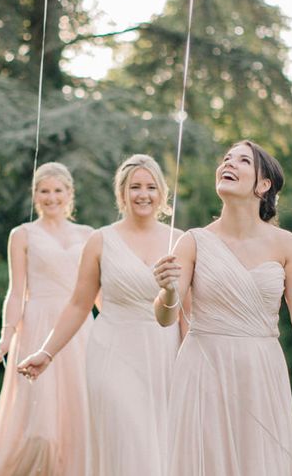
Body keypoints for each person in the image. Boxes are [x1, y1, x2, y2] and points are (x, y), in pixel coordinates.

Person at [152, 140, 292, 476]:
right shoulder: (192, 241)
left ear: (263, 184)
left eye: (243, 160)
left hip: (261, 370)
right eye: (226, 158)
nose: (228, 163)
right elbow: (165, 317)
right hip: (203, 368)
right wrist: (168, 289)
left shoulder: (286, 243)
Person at [18, 154, 183, 476]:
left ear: (162, 193)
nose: (143, 194)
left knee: (158, 444)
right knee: (126, 434)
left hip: (163, 353)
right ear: (122, 193)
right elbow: (79, 304)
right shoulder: (100, 240)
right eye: (134, 186)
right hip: (111, 351)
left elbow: (188, 313)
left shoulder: (181, 241)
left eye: (150, 186)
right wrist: (46, 352)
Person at [0, 162, 93, 476]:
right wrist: (6, 337)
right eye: (44, 191)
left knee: (79, 416)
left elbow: (97, 293)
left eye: (58, 190)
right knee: (39, 427)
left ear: (70, 194)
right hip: (37, 327)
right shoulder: (23, 234)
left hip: (80, 330)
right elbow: (16, 292)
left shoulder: (89, 235)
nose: (51, 197)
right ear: (35, 195)